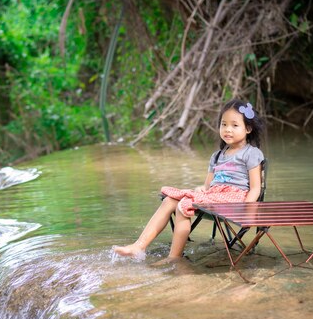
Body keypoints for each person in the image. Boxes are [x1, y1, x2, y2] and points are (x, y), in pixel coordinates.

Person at [114, 99, 265, 262]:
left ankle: (174, 257)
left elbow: (256, 188)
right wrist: (201, 189)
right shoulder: (217, 156)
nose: (228, 129)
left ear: (248, 128)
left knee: (182, 205)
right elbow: (208, 186)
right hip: (214, 197)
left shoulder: (251, 153)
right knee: (170, 200)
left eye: (235, 125)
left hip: (235, 200)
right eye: (224, 124)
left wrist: (247, 210)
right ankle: (139, 246)